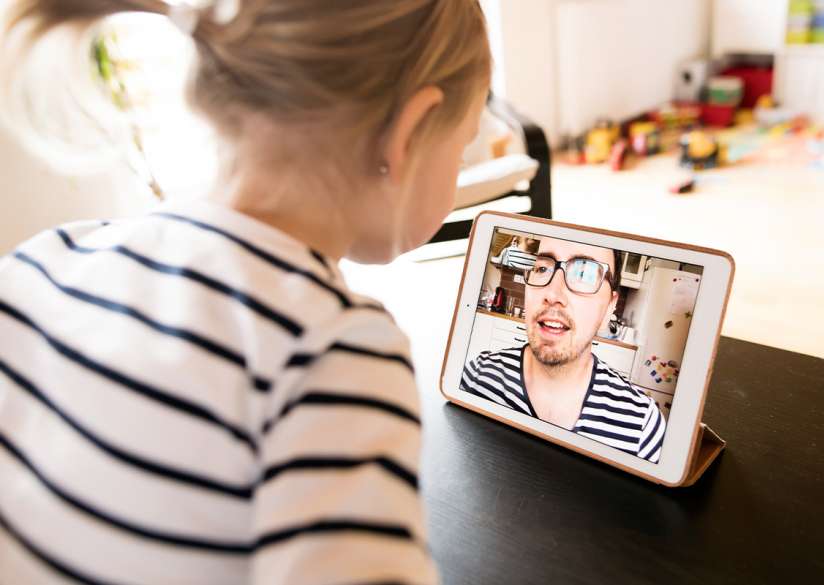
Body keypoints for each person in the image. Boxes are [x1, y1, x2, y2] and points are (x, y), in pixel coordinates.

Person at [0, 1, 490, 583]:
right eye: (462, 148)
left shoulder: (45, 261)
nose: (459, 166)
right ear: (407, 134)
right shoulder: (333, 351)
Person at [461, 237, 666, 463]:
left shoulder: (641, 425)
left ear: (610, 306)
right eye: (542, 268)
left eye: (584, 273)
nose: (553, 294)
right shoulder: (477, 376)